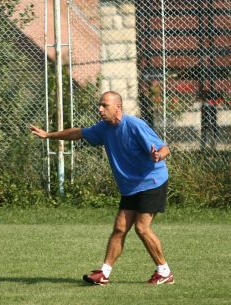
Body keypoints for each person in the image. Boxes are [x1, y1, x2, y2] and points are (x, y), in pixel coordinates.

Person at [30, 91, 173, 285]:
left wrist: (158, 156)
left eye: (105, 105)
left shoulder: (134, 125)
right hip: (130, 186)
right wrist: (48, 135)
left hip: (152, 181)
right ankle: (104, 274)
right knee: (120, 228)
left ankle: (164, 272)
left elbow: (164, 148)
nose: (100, 109)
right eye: (100, 105)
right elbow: (78, 133)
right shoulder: (104, 129)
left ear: (118, 108)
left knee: (142, 228)